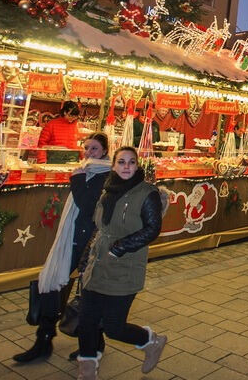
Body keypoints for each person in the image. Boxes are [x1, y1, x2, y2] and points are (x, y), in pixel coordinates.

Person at [14, 132, 111, 364]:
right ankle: (44, 339)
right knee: (52, 283)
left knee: (86, 292)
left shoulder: (105, 174)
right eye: (86, 148)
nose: (89, 153)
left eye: (95, 149)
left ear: (105, 152)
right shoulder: (87, 169)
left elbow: (88, 206)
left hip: (90, 240)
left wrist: (77, 179)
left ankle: (93, 344)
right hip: (72, 238)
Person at [76, 146, 168, 379]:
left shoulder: (147, 193)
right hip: (97, 265)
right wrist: (85, 260)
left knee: (113, 327)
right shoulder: (108, 191)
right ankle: (87, 370)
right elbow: (99, 228)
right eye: (121, 162)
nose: (126, 167)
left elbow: (152, 228)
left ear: (138, 166)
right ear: (114, 165)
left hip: (125, 265)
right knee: (86, 321)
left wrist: (119, 248)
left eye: (131, 162)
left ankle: (150, 341)